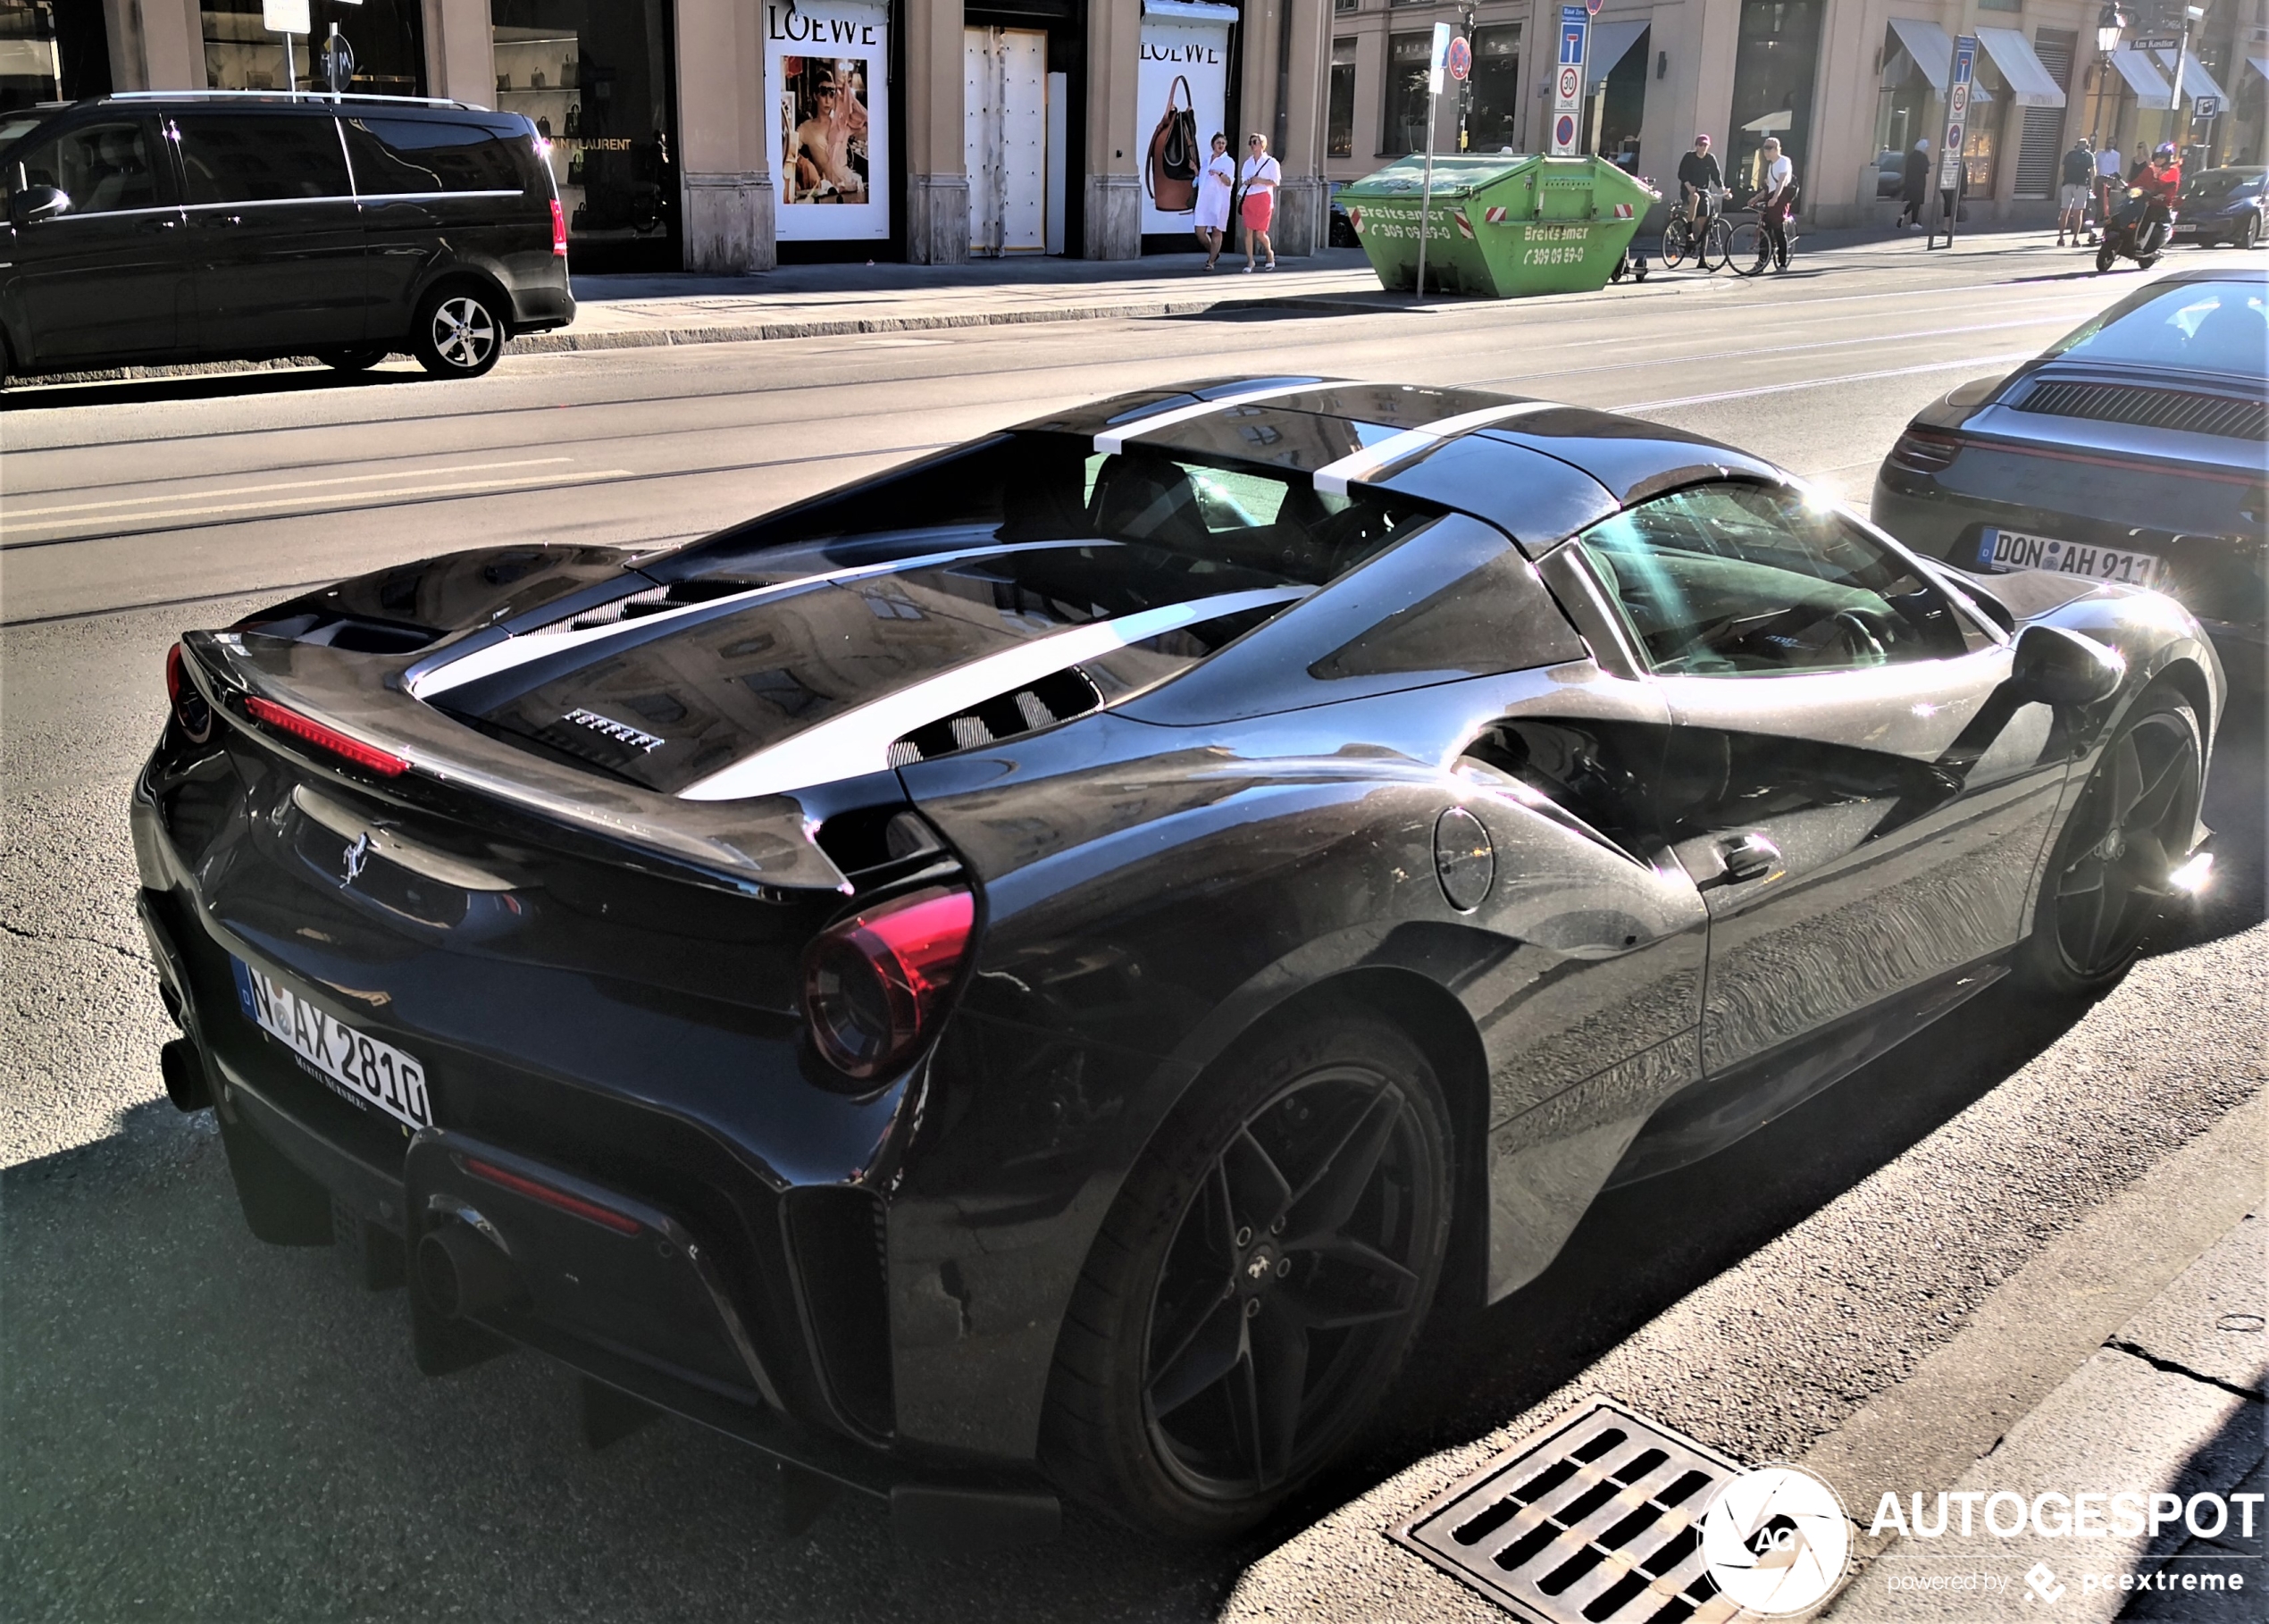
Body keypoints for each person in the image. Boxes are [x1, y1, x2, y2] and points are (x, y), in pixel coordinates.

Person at [1751, 136, 1796, 270]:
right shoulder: (1771, 165)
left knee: (1777, 227)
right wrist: (1755, 198)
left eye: (1769, 148)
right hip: (1773, 195)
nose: (1766, 151)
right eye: (1764, 148)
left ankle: (1782, 264)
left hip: (1781, 197)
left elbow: (1782, 181)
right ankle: (1761, 263)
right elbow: (1769, 188)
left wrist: (1775, 198)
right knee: (1764, 229)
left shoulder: (1783, 161)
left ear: (1777, 149)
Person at [1239, 132, 1280, 272]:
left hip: (1263, 197)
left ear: (1262, 144)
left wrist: (1259, 181)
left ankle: (1269, 253)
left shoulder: (1271, 162)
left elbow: (1275, 182)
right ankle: (1250, 261)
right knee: (1248, 231)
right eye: (1251, 142)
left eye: (1255, 142)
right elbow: (1243, 178)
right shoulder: (1248, 163)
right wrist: (1248, 181)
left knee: (1260, 234)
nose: (1252, 145)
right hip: (1250, 196)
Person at [1193, 132, 1234, 270]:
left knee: (1217, 230)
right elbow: (1202, 178)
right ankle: (1214, 251)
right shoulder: (1206, 159)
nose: (1221, 145)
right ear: (1213, 145)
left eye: (1223, 143)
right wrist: (1195, 171)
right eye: (1218, 143)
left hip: (1219, 200)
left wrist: (1219, 173)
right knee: (1199, 231)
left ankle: (1211, 262)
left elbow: (1229, 182)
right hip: (1203, 199)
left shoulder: (1228, 162)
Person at [1676, 133, 1721, 244]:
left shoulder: (1710, 159)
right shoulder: (1689, 156)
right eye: (1700, 145)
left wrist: (1723, 189)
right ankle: (1689, 230)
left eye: (1705, 145)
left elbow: (1716, 176)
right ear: (1696, 146)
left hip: (1704, 191)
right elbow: (1682, 174)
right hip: (1689, 189)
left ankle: (1702, 256)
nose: (1703, 147)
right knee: (1695, 198)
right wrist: (1689, 186)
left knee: (1704, 223)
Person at [2057, 137, 2093, 246]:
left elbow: (2062, 170)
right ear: (2087, 146)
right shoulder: (2089, 156)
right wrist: (2092, 187)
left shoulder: (2069, 154)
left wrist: (2063, 182)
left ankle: (2061, 238)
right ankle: (2075, 239)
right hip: (2081, 186)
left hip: (2067, 184)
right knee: (2078, 213)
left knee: (2064, 211)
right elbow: (2092, 172)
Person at [2091, 140, 2123, 245]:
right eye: (2108, 142)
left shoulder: (2116, 155)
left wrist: (2114, 180)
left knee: (2103, 201)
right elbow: (2096, 166)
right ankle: (2097, 218)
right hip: (2099, 178)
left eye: (2111, 143)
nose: (2109, 144)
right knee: (2097, 199)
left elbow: (2116, 168)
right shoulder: (2100, 154)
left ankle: (2099, 220)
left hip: (2109, 178)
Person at [1898, 138, 1930, 229]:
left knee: (1913, 201)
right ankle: (1914, 222)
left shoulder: (1911, 156)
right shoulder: (1923, 157)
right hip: (1919, 183)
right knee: (1917, 203)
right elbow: (1926, 170)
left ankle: (1904, 215)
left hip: (1910, 182)